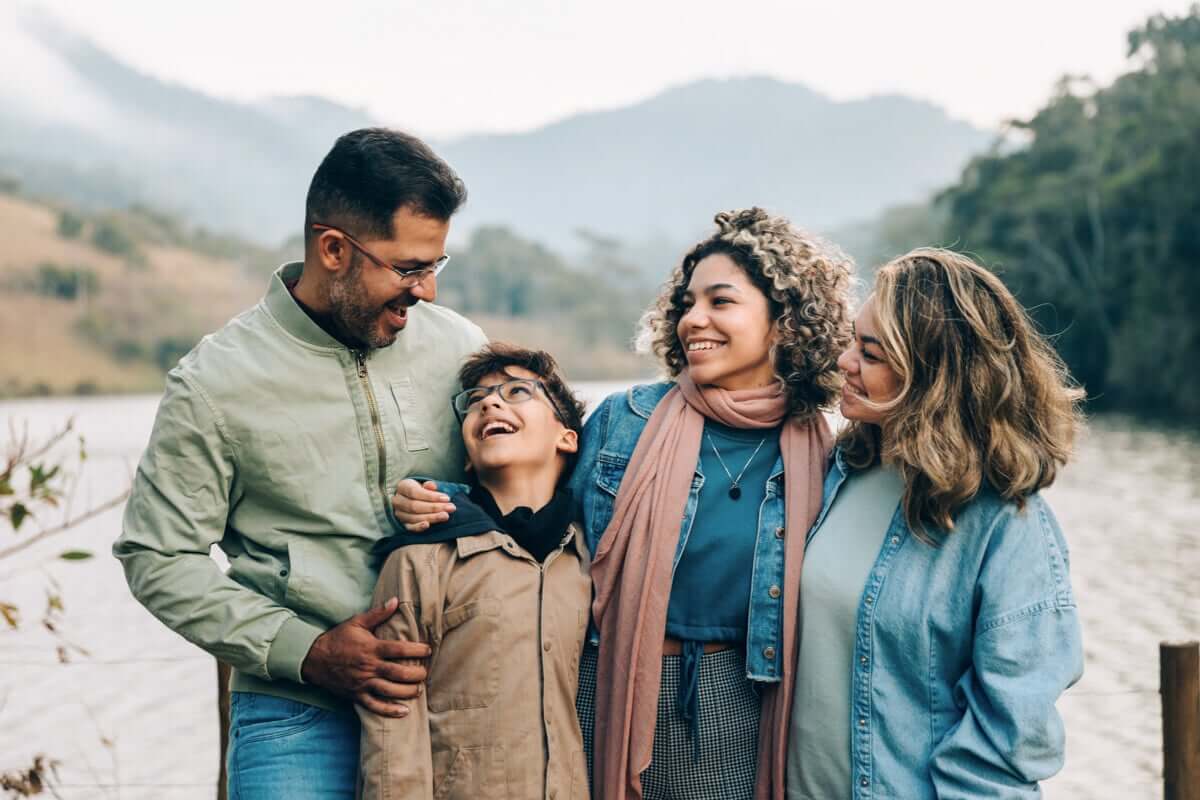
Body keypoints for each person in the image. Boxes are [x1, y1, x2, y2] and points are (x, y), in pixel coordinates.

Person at [396, 207, 854, 800]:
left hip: (739, 699)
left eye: (721, 302)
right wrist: (441, 502)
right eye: (687, 303)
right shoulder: (628, 420)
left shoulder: (826, 452)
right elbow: (531, 510)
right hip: (607, 680)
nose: (694, 320)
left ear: (786, 320)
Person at [113, 128, 488, 799]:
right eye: (408, 269)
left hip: (451, 699)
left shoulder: (461, 348)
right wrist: (305, 651)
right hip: (295, 713)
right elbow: (156, 556)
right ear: (334, 249)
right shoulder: (215, 381)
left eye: (437, 266)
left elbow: (516, 498)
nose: (427, 292)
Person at [787, 248, 1084, 799]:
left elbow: (1008, 742)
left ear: (934, 373)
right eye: (853, 341)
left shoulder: (1007, 525)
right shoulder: (832, 474)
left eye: (870, 354)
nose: (845, 362)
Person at [359, 342, 591, 799]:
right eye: (475, 400)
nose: (490, 402)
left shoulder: (588, 560)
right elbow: (391, 731)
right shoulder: (419, 561)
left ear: (566, 437)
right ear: (467, 454)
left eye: (518, 391)